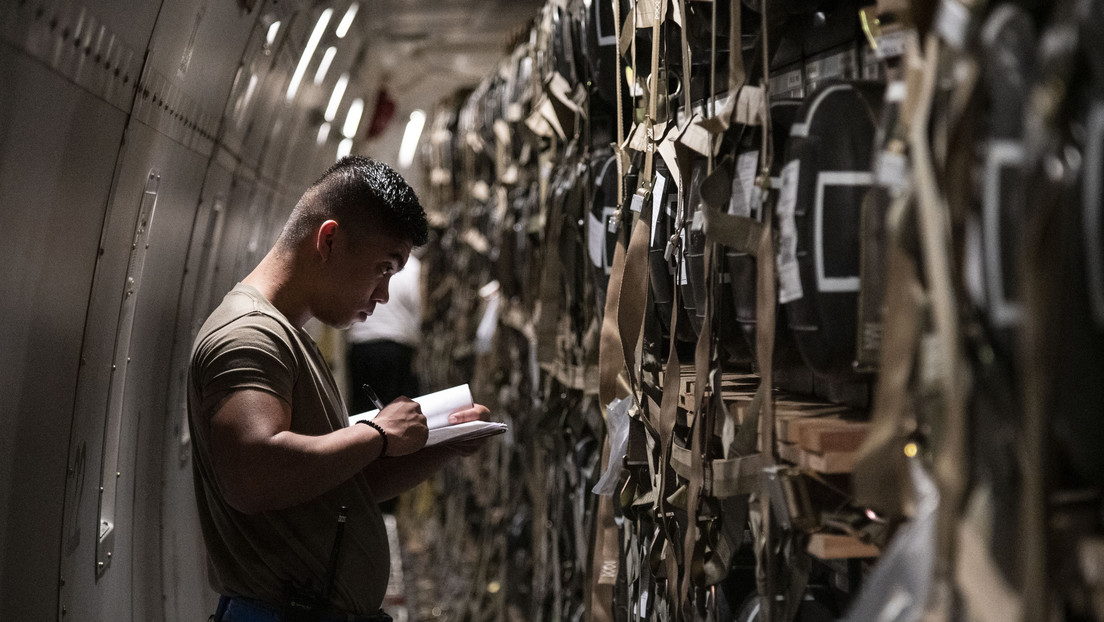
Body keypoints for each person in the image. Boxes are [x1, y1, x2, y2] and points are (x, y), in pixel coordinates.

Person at [187, 155, 490, 622]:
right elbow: (252, 477)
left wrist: (445, 443)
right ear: (328, 240)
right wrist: (377, 434)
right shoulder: (250, 336)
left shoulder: (288, 337)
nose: (383, 294)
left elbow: (338, 483)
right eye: (383, 268)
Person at [346, 251, 423, 416]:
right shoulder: (412, 267)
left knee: (364, 409)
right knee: (398, 409)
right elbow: (418, 306)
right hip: (396, 344)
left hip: (361, 343)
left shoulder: (369, 258)